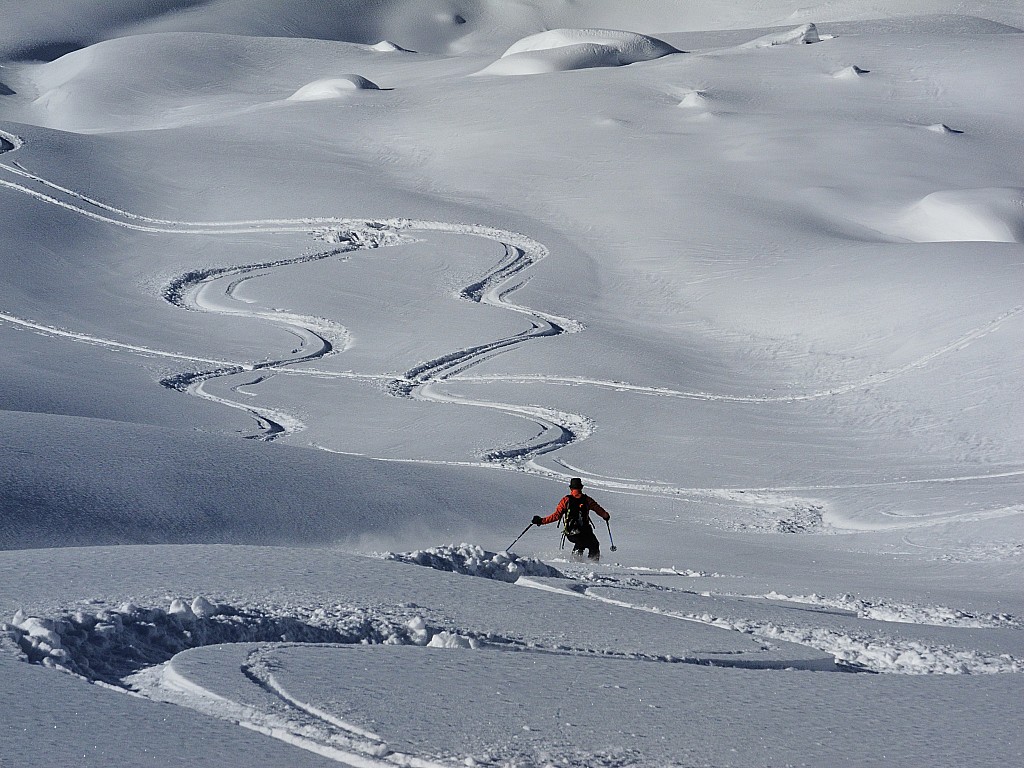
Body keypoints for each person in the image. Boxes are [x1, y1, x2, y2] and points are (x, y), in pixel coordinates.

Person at [532, 477, 610, 562]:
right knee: (594, 544)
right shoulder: (587, 499)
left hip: (571, 532)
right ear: (581, 487)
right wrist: (605, 516)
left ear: (571, 488)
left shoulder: (566, 500)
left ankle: (574, 563)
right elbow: (598, 509)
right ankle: (593, 564)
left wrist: (541, 521)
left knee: (580, 543)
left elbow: (556, 516)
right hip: (586, 531)